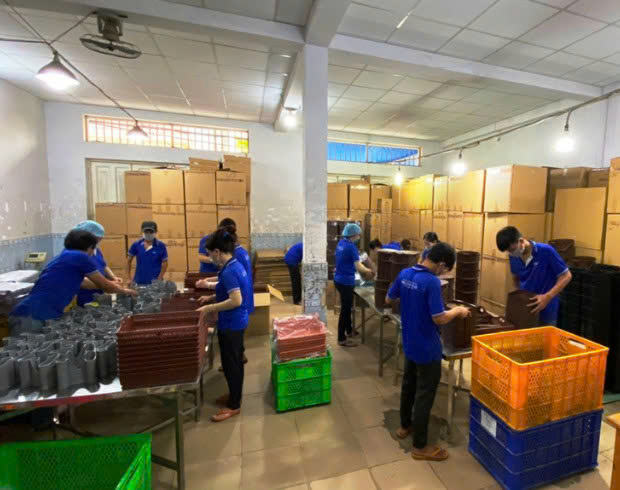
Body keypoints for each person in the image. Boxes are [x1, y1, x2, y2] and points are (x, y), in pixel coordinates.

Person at [386, 242, 470, 461]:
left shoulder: (405, 273)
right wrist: (458, 311)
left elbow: (388, 298)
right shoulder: (431, 282)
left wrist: (411, 303)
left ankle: (405, 426)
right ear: (441, 264)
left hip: (409, 342)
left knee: (408, 386)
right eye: (445, 270)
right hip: (428, 348)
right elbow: (439, 318)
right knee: (424, 395)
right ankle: (420, 446)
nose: (443, 274)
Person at [10, 229, 137, 335]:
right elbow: (105, 286)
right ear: (89, 248)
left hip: (32, 313)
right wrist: (125, 291)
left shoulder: (64, 255)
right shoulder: (80, 257)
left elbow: (84, 283)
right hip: (33, 316)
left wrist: (112, 284)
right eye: (93, 249)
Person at [196, 228, 252, 422]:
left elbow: (236, 300)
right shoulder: (234, 264)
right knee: (234, 362)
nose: (210, 257)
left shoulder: (229, 270)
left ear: (217, 251)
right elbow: (227, 290)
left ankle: (234, 405)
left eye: (210, 254)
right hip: (237, 320)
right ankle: (234, 395)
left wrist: (209, 308)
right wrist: (211, 296)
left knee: (231, 365)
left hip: (232, 323)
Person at [496, 226, 572, 325]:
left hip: (546, 310)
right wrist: (516, 301)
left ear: (521, 241)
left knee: (544, 334)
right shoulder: (514, 256)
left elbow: (566, 276)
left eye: (512, 249)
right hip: (526, 310)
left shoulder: (546, 251)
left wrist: (547, 297)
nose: (511, 253)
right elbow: (516, 278)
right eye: (508, 251)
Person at [334, 223, 373, 347]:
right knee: (345, 311)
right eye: (358, 235)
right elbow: (358, 266)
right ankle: (341, 338)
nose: (359, 237)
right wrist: (368, 270)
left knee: (348, 307)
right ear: (353, 235)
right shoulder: (351, 247)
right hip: (346, 281)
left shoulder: (341, 243)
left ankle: (349, 330)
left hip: (338, 279)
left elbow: (346, 260)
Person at [74, 220, 123, 306]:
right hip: (85, 298)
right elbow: (82, 282)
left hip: (100, 295)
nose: (99, 240)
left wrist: (113, 277)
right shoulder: (76, 252)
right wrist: (107, 285)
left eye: (100, 238)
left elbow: (103, 265)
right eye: (97, 238)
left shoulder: (96, 249)